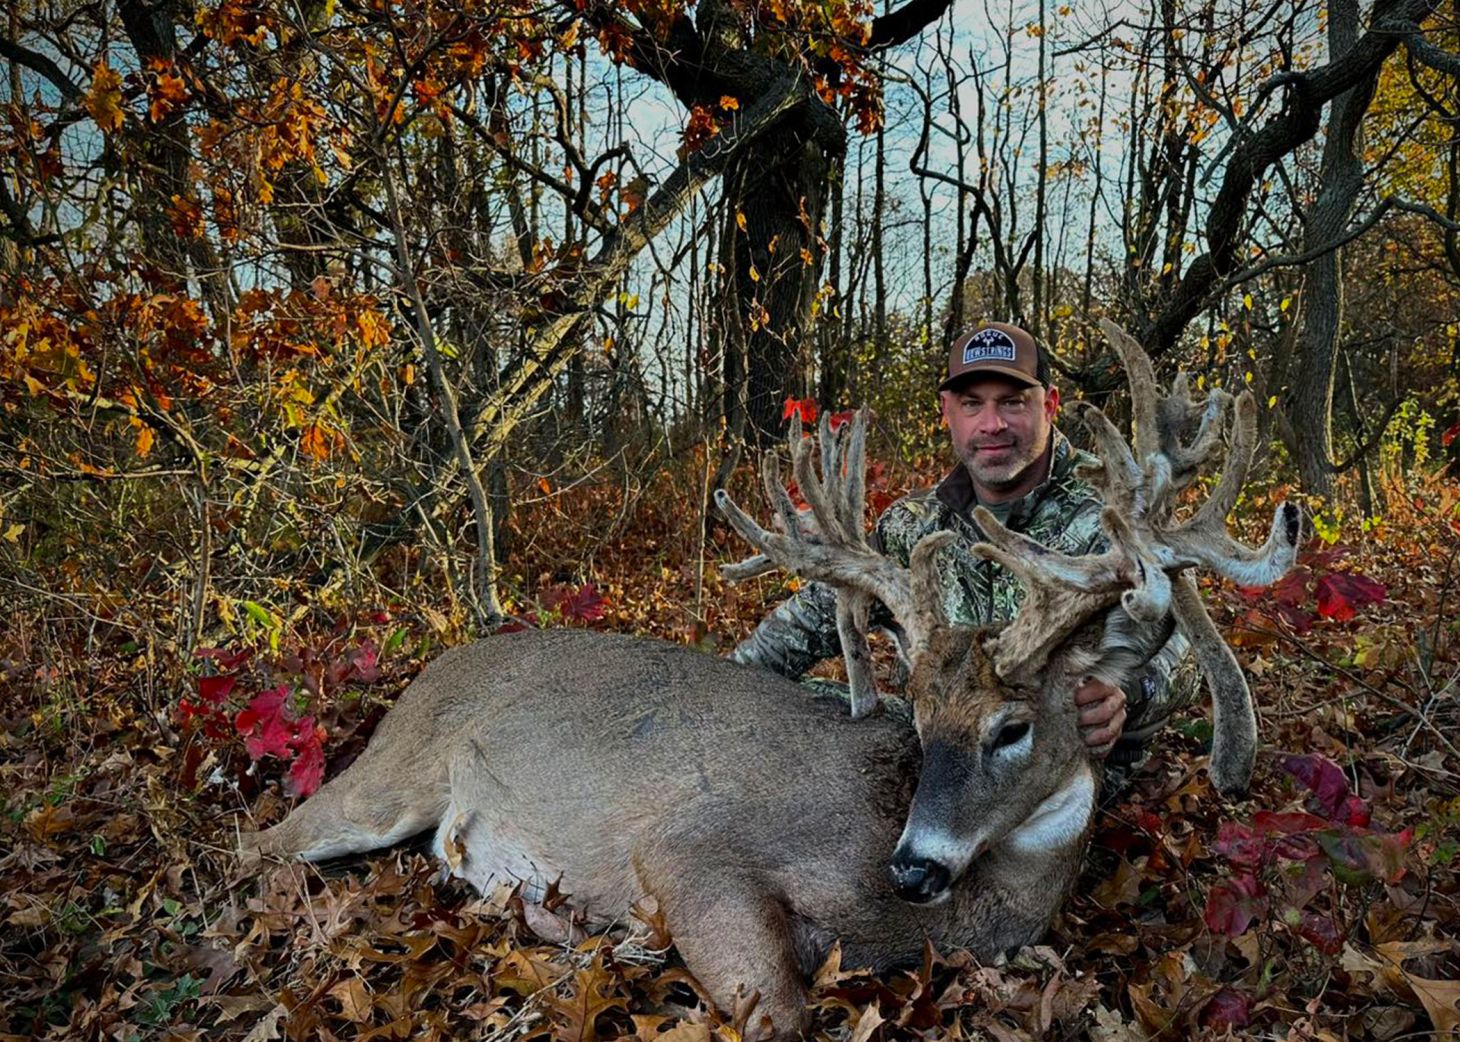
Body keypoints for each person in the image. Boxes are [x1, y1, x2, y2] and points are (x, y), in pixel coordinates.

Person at [731, 321, 1197, 781]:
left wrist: (1126, 693)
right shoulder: (911, 524)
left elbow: (1190, 650)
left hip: (1063, 764)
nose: (991, 424)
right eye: (973, 404)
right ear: (946, 411)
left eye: (1012, 402)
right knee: (807, 708)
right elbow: (802, 626)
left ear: (1049, 405)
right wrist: (718, 690)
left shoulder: (1121, 511)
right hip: (940, 756)